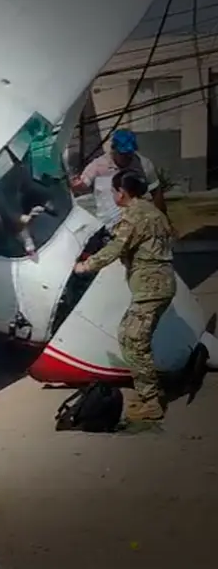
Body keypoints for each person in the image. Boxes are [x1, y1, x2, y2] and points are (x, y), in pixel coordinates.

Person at [73, 169, 176, 424]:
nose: (113, 194)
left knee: (133, 341)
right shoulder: (154, 212)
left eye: (114, 190)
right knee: (130, 336)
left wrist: (85, 266)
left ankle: (151, 402)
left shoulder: (134, 215)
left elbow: (115, 248)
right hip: (159, 285)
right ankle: (149, 392)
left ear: (122, 192)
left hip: (150, 288)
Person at [70, 129, 167, 230]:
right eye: (122, 154)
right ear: (114, 149)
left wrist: (165, 220)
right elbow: (83, 184)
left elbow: (156, 192)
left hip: (134, 224)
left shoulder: (143, 165)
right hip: (107, 225)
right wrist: (76, 185)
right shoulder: (98, 166)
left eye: (129, 154)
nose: (126, 158)